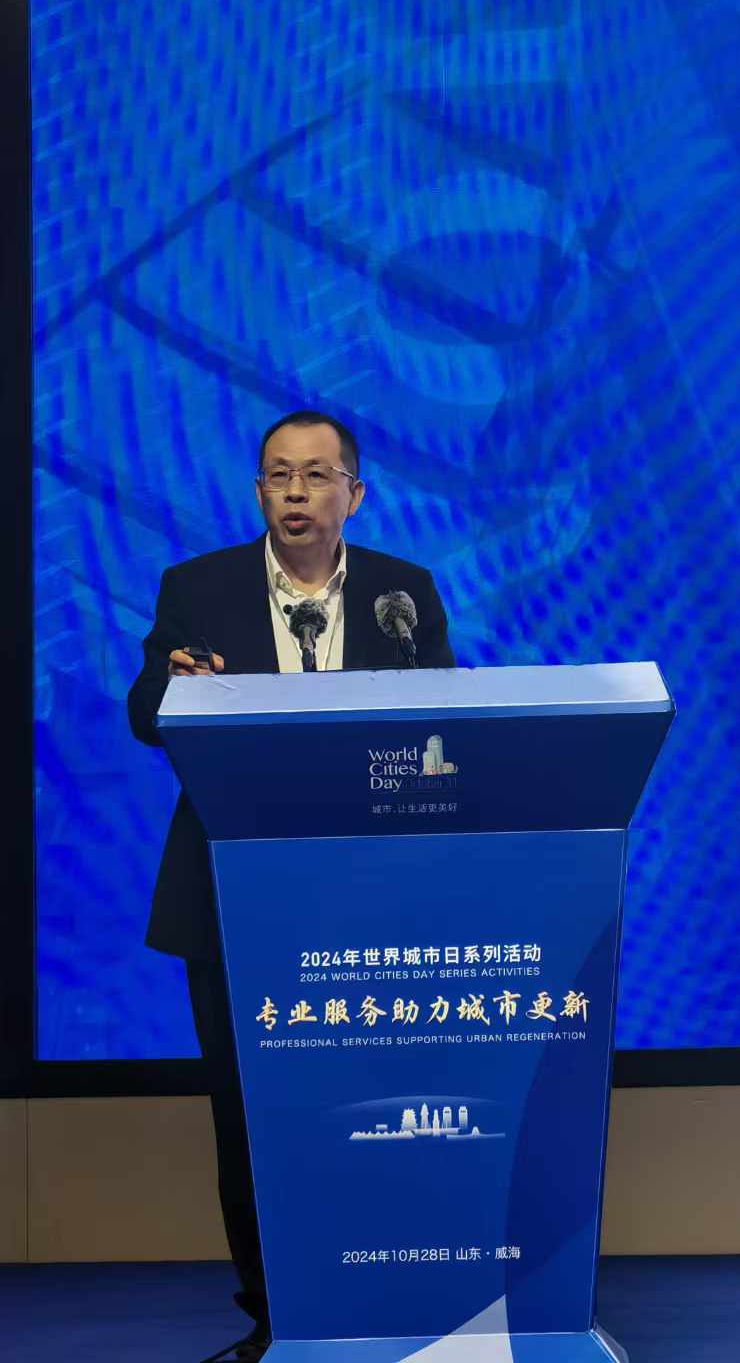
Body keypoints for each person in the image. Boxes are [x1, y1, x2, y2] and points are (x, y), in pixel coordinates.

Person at [127, 409, 454, 1362]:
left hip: (374, 901)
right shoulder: (198, 588)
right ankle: (277, 1318)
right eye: (279, 475)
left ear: (356, 493)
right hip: (233, 898)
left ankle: (386, 1301)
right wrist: (176, 684)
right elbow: (145, 711)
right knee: (251, 1118)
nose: (297, 492)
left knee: (371, 1111)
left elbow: (447, 714)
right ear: (259, 491)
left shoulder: (402, 594)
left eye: (316, 475)